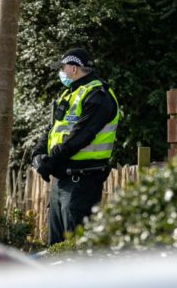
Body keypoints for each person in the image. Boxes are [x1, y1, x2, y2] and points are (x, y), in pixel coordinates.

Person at [31, 48, 119, 245]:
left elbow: (81, 136)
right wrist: (37, 153)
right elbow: (52, 128)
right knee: (56, 247)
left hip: (83, 181)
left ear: (73, 68)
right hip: (61, 180)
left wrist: (51, 161)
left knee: (76, 249)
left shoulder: (99, 95)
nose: (60, 72)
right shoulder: (69, 94)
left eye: (62, 68)